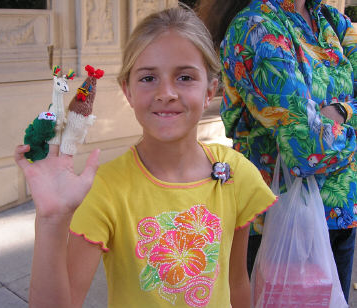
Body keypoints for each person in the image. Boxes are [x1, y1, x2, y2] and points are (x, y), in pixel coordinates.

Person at [15, 6, 276, 308]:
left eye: (185, 77)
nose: (166, 92)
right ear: (127, 90)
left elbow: (236, 282)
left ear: (210, 90)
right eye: (149, 78)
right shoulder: (104, 188)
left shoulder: (235, 173)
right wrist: (51, 221)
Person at [198, 0, 357, 302]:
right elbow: (308, 145)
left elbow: (315, 133)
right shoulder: (257, 28)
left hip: (341, 216)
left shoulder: (330, 20)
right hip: (279, 222)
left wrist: (342, 111)